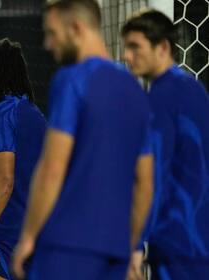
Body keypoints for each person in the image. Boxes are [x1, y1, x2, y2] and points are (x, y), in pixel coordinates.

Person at [12, 1, 154, 279]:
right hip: (115, 252)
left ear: (76, 28)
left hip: (66, 247)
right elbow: (146, 183)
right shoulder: (137, 93)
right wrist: (131, 247)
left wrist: (28, 237)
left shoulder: (72, 79)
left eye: (52, 33)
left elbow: (52, 168)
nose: (47, 43)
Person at [122, 9, 209, 280]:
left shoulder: (158, 100)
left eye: (135, 47)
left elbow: (152, 176)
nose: (127, 56)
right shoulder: (196, 90)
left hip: (177, 242)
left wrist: (136, 245)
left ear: (162, 47)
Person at [0, 38, 46, 280]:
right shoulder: (36, 115)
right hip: (39, 230)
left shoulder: (2, 114)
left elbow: (5, 179)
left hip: (7, 232)